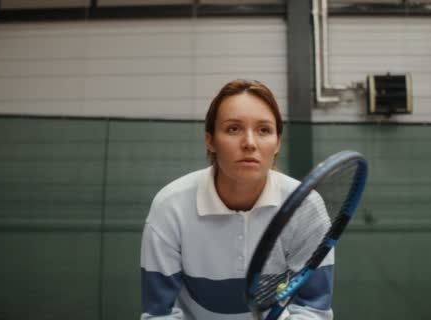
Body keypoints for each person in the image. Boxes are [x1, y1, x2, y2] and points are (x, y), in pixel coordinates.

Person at [140, 79, 334, 320]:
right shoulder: (170, 207)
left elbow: (313, 309)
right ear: (210, 140)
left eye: (264, 130)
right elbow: (160, 314)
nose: (250, 143)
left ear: (277, 143)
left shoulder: (306, 206)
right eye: (233, 129)